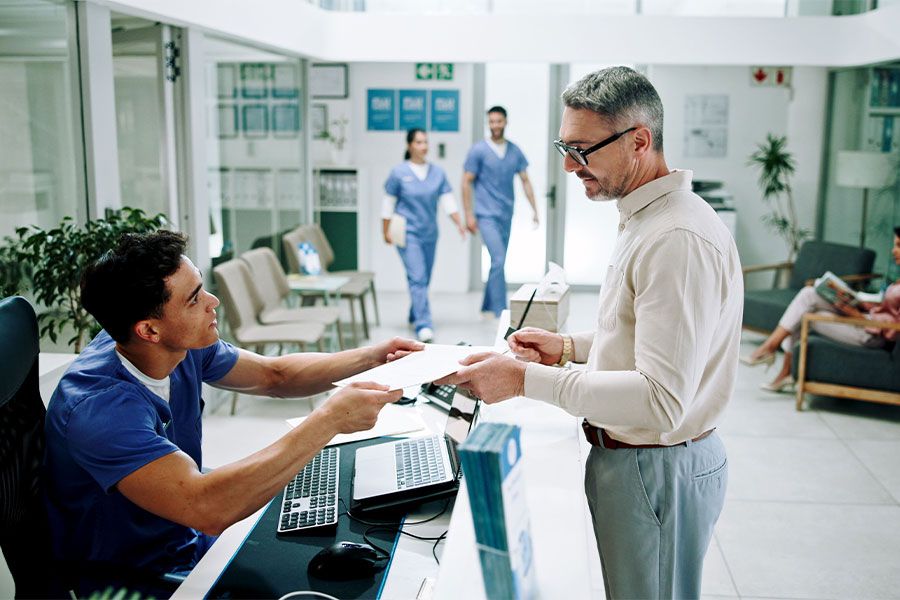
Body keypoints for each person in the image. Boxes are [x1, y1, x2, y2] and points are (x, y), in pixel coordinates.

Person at [438, 67, 743, 599]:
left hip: (656, 467)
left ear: (639, 142)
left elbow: (660, 399)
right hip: (636, 462)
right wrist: (568, 348)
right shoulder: (647, 217)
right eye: (565, 146)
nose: (568, 165)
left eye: (581, 150)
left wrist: (524, 379)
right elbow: (646, 337)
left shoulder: (675, 237)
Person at [43, 230, 422, 593]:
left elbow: (275, 376)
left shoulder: (172, 345)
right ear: (149, 330)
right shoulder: (99, 410)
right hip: (133, 576)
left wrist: (373, 357)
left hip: (183, 537)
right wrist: (329, 420)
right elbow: (206, 507)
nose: (213, 302)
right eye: (194, 299)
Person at [744, 226, 900, 392]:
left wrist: (855, 315)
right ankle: (773, 353)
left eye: (898, 245)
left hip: (871, 334)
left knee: (805, 316)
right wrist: (863, 304)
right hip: (867, 319)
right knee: (809, 294)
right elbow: (889, 310)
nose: (893, 251)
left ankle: (777, 360)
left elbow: (894, 330)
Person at [382, 128, 466, 343]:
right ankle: (424, 324)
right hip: (407, 233)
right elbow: (388, 203)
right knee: (417, 277)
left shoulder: (437, 173)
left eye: (425, 142)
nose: (424, 146)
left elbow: (448, 201)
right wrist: (385, 230)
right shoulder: (399, 173)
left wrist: (459, 223)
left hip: (429, 233)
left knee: (423, 279)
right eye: (419, 142)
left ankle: (414, 313)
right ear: (409, 145)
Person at [461, 106, 539, 318]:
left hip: (506, 214)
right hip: (485, 214)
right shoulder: (478, 150)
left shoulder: (514, 151)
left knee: (499, 260)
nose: (495, 125)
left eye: (499, 121)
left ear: (505, 122)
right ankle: (500, 310)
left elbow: (525, 181)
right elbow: (466, 182)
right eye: (492, 121)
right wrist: (468, 214)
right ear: (488, 123)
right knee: (497, 259)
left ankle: (486, 306)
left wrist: (535, 209)